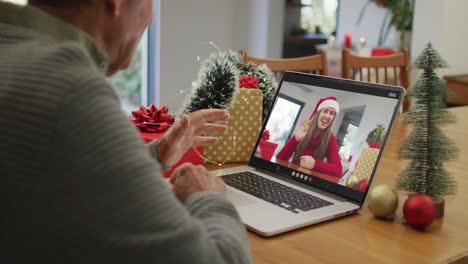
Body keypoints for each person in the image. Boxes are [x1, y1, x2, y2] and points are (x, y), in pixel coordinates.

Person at [0, 1, 251, 263]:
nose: (150, 17)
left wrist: (156, 154)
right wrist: (205, 195)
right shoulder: (70, 91)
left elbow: (66, 172)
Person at [276, 96, 343, 177]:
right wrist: (295, 139)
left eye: (332, 113)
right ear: (318, 113)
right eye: (325, 111)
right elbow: (279, 159)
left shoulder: (330, 138)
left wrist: (315, 164)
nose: (328, 116)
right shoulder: (304, 129)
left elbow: (338, 170)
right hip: (291, 175)